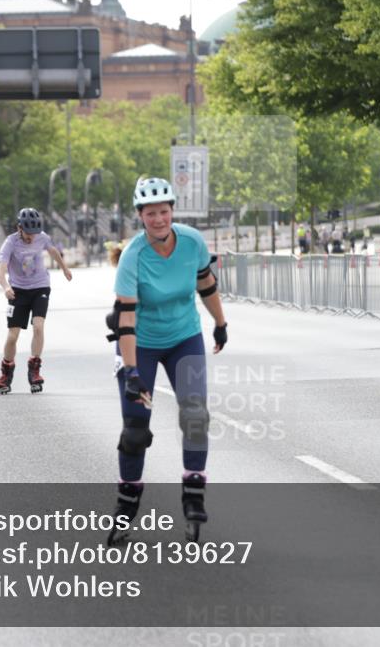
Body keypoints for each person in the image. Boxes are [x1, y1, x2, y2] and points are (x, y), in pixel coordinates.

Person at [105, 176, 228, 545]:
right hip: (139, 345)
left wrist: (220, 323)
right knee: (136, 430)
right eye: (150, 213)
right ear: (140, 216)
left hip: (183, 339)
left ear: (172, 211)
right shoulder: (133, 256)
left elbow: (206, 283)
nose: (158, 219)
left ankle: (193, 495)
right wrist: (130, 371)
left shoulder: (191, 241)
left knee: (195, 414)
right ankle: (127, 507)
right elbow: (125, 318)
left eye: (164, 211)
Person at [0, 208, 72, 395]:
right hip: (17, 291)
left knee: (38, 326)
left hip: (40, 287)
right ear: (19, 228)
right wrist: (6, 287)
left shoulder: (42, 237)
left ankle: (34, 368)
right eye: (28, 233)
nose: (32, 238)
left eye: (35, 233)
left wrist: (65, 268)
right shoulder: (10, 242)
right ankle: (6, 373)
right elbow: (1, 269)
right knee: (13, 335)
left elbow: (53, 252)